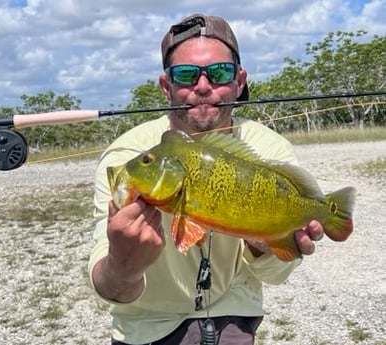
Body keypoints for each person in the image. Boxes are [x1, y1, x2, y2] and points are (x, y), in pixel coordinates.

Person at [88, 13, 325, 345]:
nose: (202, 86)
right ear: (165, 85)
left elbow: (275, 275)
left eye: (219, 72)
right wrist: (122, 265)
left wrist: (266, 241)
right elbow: (108, 288)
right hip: (146, 323)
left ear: (239, 81)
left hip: (233, 314)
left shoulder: (269, 149)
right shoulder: (128, 156)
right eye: (185, 74)